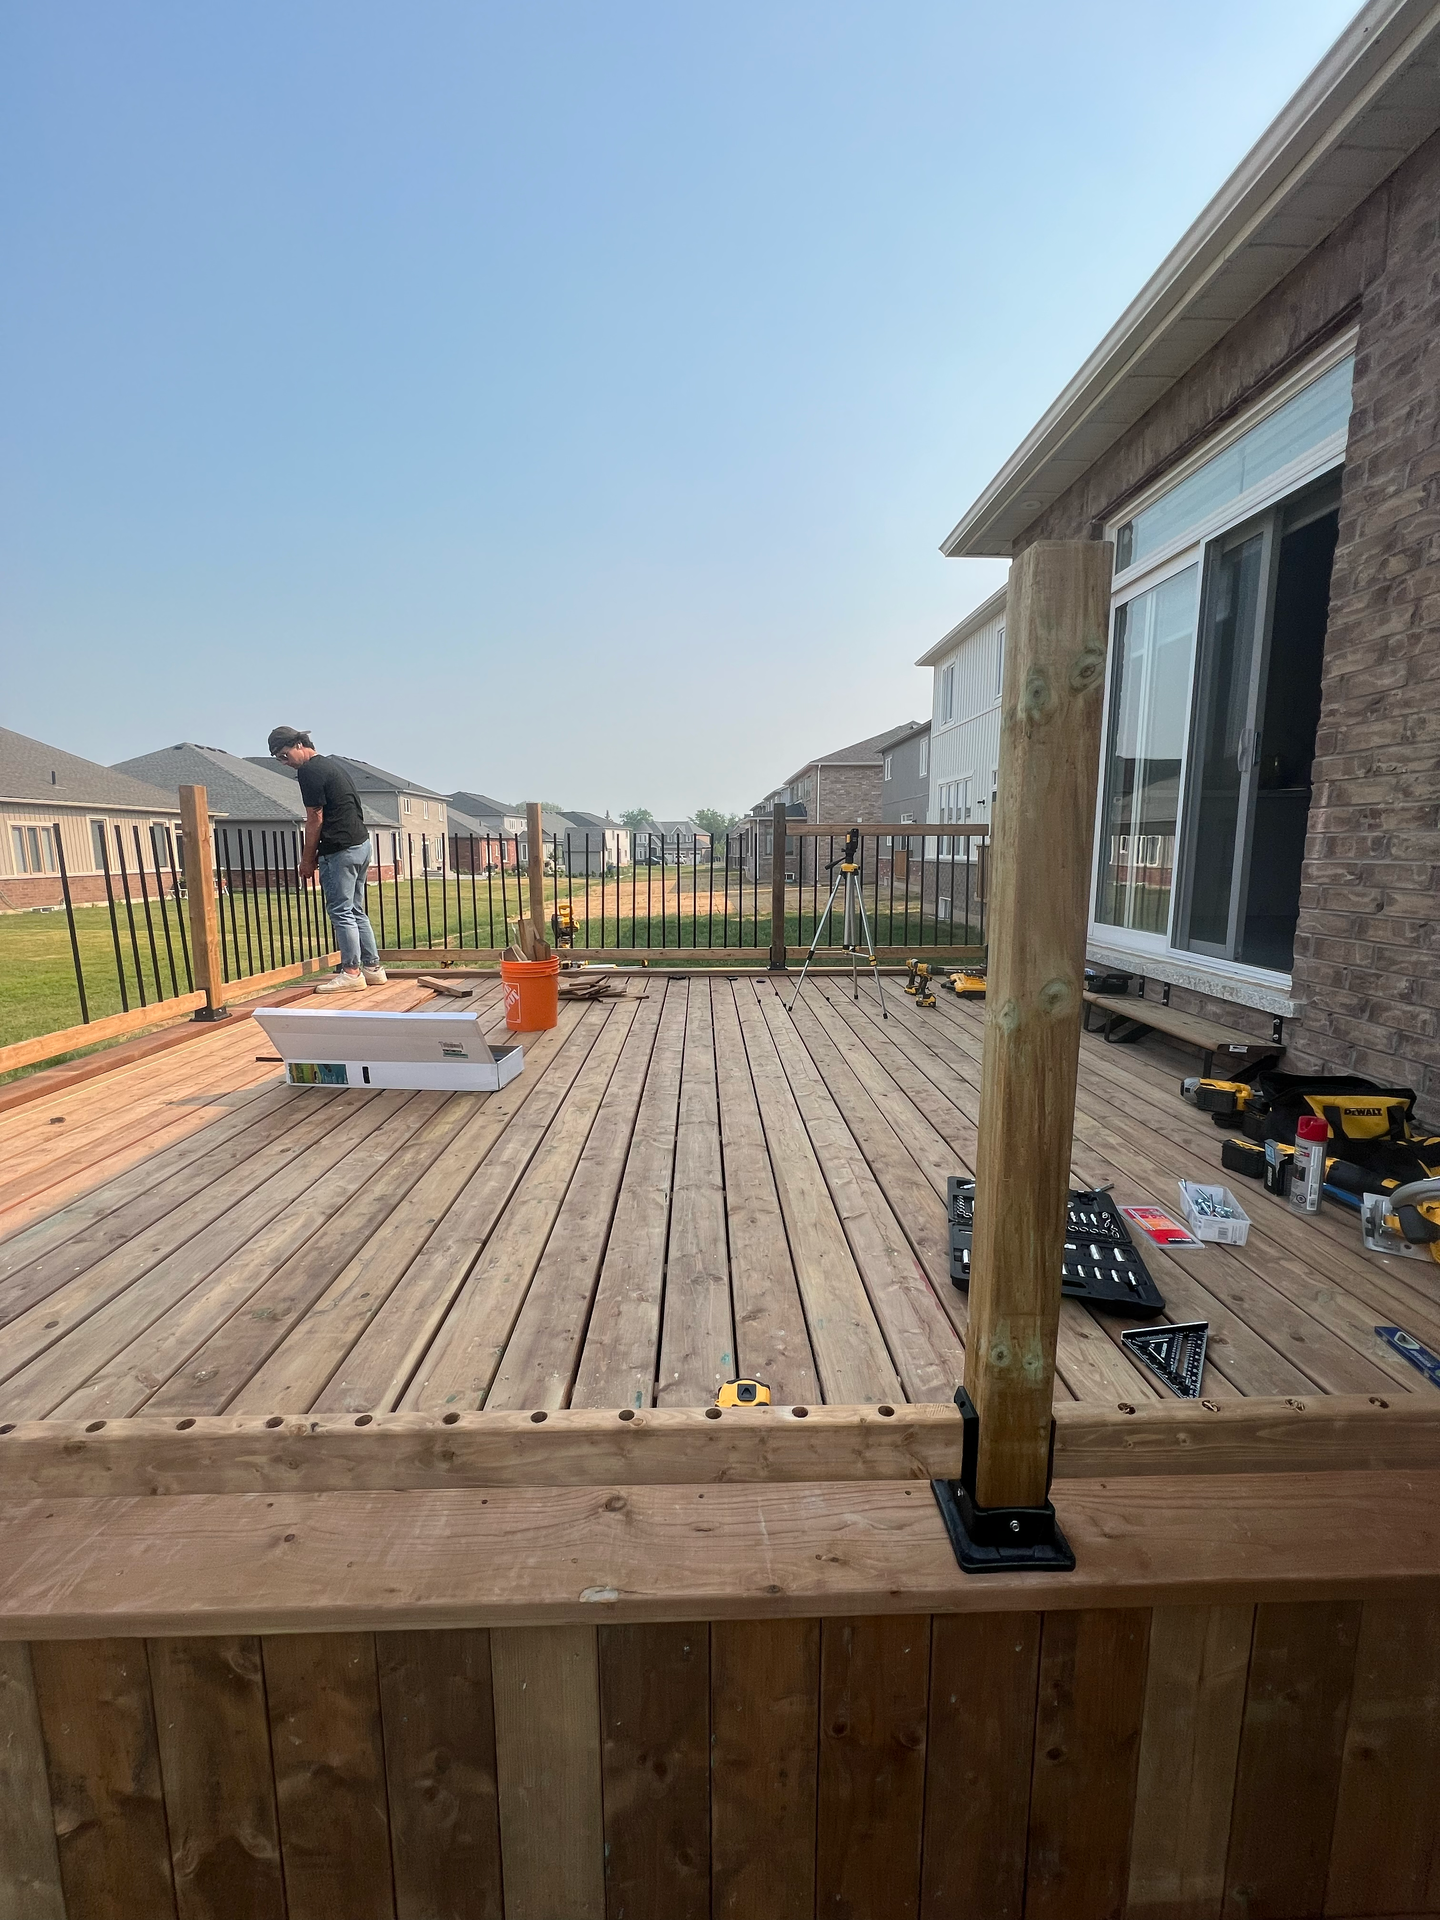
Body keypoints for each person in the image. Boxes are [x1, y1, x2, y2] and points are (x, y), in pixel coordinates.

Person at [267, 726, 386, 992]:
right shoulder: (331, 766)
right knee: (356, 909)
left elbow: (315, 818)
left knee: (341, 912)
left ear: (299, 745)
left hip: (340, 849)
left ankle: (352, 973)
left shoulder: (308, 771)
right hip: (361, 844)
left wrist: (307, 860)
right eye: (279, 760)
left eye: (284, 756)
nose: (284, 763)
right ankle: (373, 968)